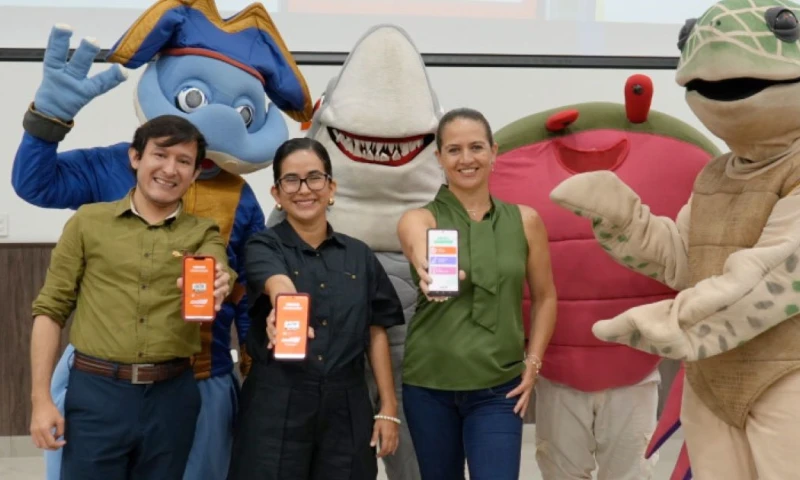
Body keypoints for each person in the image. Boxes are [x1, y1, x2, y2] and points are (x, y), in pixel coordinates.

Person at [28, 114, 236, 480]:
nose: (170, 169)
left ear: (194, 173)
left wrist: (220, 279)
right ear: (135, 157)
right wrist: (40, 399)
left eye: (184, 161)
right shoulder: (88, 222)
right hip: (96, 392)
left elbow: (217, 265)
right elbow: (50, 309)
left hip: (172, 396)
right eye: (161, 155)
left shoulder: (203, 231)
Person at [228, 138, 405, 480]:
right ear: (277, 194)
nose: (303, 189)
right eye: (291, 180)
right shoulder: (263, 244)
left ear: (330, 186)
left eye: (314, 177)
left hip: (347, 406)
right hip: (276, 402)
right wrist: (284, 305)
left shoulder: (359, 255)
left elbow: (376, 331)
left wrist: (388, 407)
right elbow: (275, 280)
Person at [396, 108, 558, 479]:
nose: (466, 159)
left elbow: (546, 297)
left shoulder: (526, 221)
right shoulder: (423, 217)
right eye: (453, 150)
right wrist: (426, 264)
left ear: (494, 152)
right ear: (439, 158)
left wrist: (533, 364)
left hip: (499, 388)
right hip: (429, 385)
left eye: (476, 147)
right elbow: (414, 236)